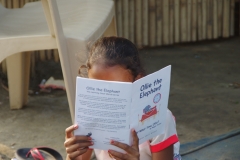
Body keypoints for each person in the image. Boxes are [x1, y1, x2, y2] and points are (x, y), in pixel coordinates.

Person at [64, 36, 181, 160]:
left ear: (138, 80)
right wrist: (72, 157)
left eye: (117, 89)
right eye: (99, 89)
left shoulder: (159, 118)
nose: (108, 98)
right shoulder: (91, 116)